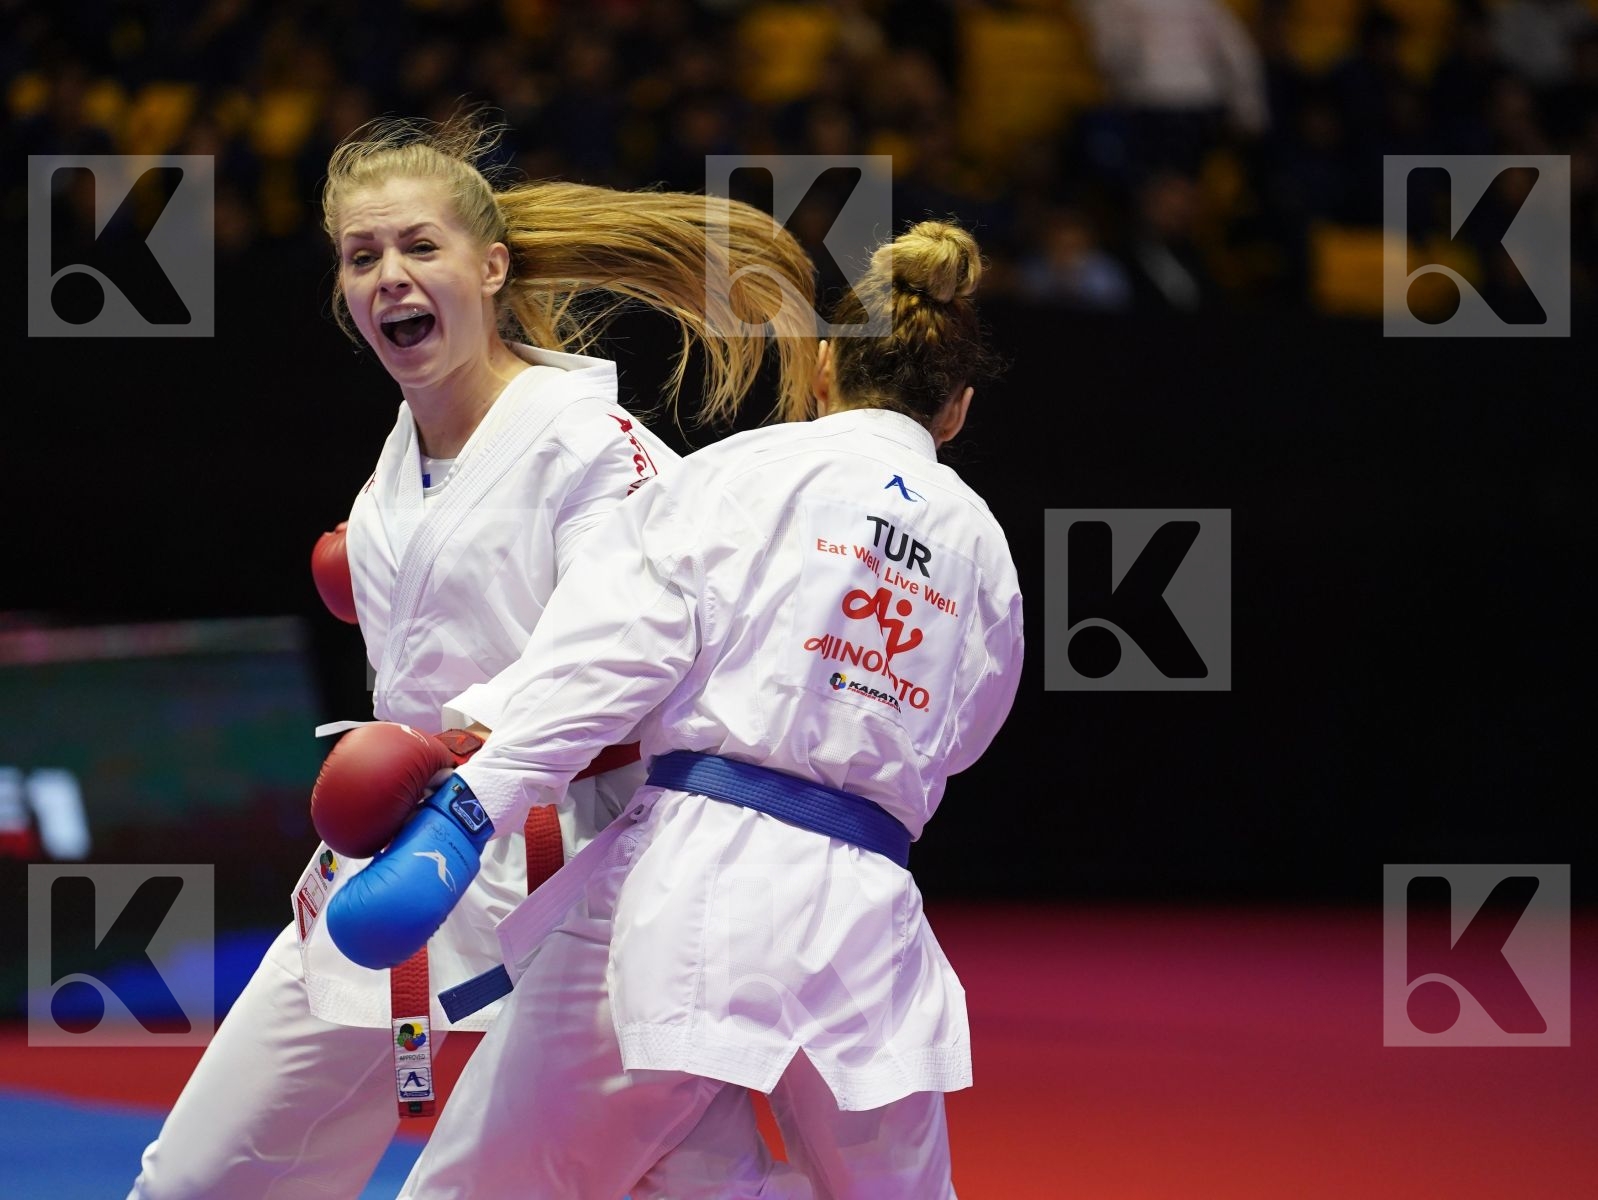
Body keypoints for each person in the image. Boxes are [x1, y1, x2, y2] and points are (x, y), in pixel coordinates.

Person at [129, 112, 819, 1200]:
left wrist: (450, 744)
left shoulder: (592, 446)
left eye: (419, 247)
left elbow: (625, 657)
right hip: (399, 858)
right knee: (200, 1180)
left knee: (678, 1180)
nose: (389, 277)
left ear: (489, 267)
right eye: (362, 257)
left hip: (587, 866)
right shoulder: (393, 474)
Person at [328, 221, 1023, 1198]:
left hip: (694, 880)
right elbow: (966, 735)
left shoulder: (744, 473)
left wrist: (465, 806)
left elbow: (608, 657)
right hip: (868, 913)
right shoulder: (982, 548)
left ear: (824, 370)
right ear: (955, 409)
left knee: (484, 1188)